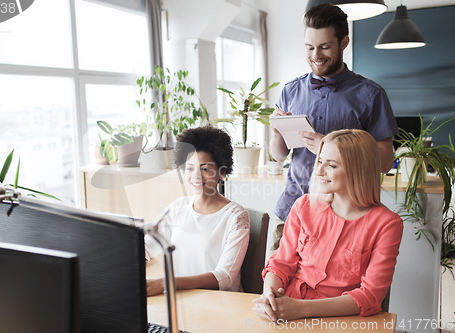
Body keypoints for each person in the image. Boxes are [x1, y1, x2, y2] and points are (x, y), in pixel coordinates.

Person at [267, 3, 399, 255]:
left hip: (345, 218)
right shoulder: (290, 91)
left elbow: (383, 161)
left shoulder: (371, 95)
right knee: (276, 290)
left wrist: (331, 148)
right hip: (291, 211)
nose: (315, 55)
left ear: (344, 42)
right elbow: (278, 155)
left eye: (325, 47)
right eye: (309, 47)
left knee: (331, 293)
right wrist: (276, 134)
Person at [253, 129, 403, 321]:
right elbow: (280, 265)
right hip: (286, 312)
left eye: (331, 165)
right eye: (320, 161)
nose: (319, 171)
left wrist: (300, 309)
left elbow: (370, 296)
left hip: (340, 319)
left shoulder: (387, 224)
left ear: (358, 169)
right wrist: (270, 297)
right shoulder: (303, 206)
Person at [145, 126, 250, 296]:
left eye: (205, 169)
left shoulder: (236, 217)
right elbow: (146, 247)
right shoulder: (178, 207)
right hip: (181, 301)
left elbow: (224, 277)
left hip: (221, 305)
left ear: (222, 172)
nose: (196, 176)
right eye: (189, 168)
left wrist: (167, 282)